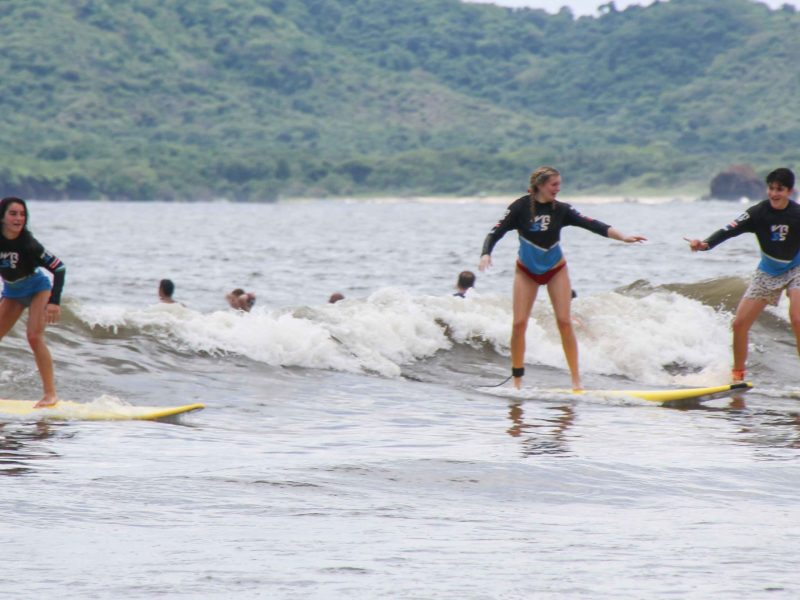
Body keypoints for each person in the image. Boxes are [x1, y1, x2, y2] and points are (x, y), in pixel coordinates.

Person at [479, 166, 646, 390]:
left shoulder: (562, 210)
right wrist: (486, 253)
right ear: (540, 185)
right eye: (554, 184)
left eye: (559, 184)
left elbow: (593, 224)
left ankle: (576, 382)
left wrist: (623, 237)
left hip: (556, 269)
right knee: (519, 324)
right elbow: (495, 232)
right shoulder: (519, 208)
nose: (558, 189)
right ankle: (517, 382)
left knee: (564, 322)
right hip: (526, 271)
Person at [686, 167, 800, 383]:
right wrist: (705, 244)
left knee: (797, 318)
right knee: (739, 324)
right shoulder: (757, 212)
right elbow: (729, 230)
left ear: (789, 191)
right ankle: (737, 376)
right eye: (771, 188)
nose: (774, 194)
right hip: (768, 271)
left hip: (797, 268)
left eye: (780, 189)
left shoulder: (797, 214)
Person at [0, 197, 66, 408]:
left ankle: (50, 395)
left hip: (37, 288)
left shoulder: (29, 244)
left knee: (34, 337)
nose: (18, 218)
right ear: (2, 217)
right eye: (13, 213)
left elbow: (59, 268)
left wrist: (54, 301)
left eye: (22, 214)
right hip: (12, 291)